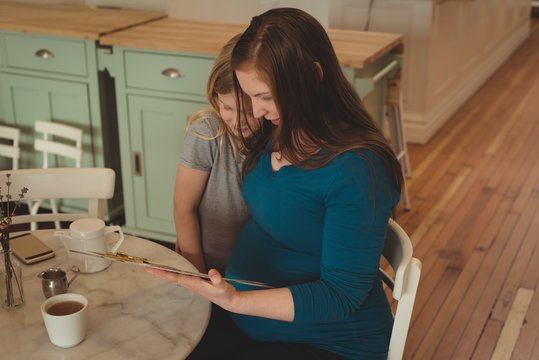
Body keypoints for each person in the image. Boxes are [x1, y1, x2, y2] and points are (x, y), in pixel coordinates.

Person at [149, 8, 404, 360]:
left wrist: (237, 299)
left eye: (264, 97)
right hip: (248, 319)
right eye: (248, 96)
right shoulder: (281, 128)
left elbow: (341, 295)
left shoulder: (359, 169)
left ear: (312, 76)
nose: (254, 113)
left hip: (327, 344)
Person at [174, 34, 260, 273]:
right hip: (210, 267)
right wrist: (198, 275)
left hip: (257, 271)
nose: (238, 121)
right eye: (227, 107)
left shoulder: (275, 135)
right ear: (215, 98)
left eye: (249, 111)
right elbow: (183, 209)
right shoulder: (207, 133)